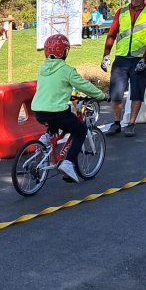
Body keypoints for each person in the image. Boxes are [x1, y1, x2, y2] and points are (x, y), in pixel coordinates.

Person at [31, 35, 105, 184]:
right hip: (57, 112)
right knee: (80, 130)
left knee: (54, 120)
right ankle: (68, 163)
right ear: (64, 52)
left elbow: (53, 87)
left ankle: (46, 139)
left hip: (39, 110)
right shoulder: (67, 70)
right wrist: (101, 95)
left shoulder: (43, 67)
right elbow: (83, 85)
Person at [101, 0, 146, 137]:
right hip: (121, 58)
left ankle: (131, 124)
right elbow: (112, 34)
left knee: (136, 93)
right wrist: (106, 55)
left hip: (139, 59)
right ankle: (116, 123)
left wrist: (145, 58)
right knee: (115, 94)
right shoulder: (121, 12)